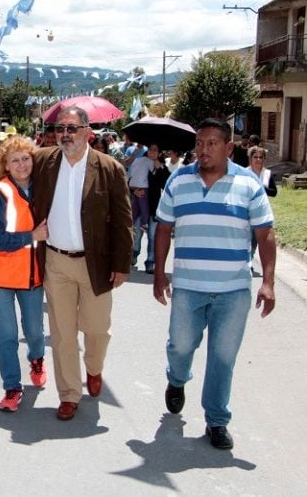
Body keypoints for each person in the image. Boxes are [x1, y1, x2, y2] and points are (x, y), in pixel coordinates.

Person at [0, 106, 133, 420]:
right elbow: (12, 169)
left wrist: (121, 264)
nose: (65, 134)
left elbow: (124, 221)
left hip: (95, 262)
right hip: (55, 261)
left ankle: (94, 367)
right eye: (60, 129)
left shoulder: (109, 168)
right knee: (63, 333)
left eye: (72, 128)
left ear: (87, 131)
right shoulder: (45, 161)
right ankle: (69, 394)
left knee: (97, 328)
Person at [154, 118, 276, 450]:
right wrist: (159, 273)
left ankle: (217, 420)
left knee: (223, 357)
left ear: (229, 147)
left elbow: (265, 235)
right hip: (188, 286)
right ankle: (177, 379)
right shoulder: (179, 180)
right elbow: (163, 227)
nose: (203, 150)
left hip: (233, 291)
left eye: (211, 143)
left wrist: (268, 282)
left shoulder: (249, 184)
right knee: (180, 346)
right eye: (199, 143)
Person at [0, 137, 48, 412]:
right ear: (5, 165)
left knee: (34, 331)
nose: (21, 165)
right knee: (7, 334)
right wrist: (31, 236)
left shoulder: (46, 189)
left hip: (32, 275)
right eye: (14, 160)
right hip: (0, 277)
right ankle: (12, 386)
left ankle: (37, 359)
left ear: (34, 160)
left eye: (26, 158)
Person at [247, 145, 277, 266]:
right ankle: (247, 262)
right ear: (251, 158)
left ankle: (250, 259)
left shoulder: (267, 174)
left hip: (261, 212)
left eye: (261, 157)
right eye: (255, 157)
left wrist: (262, 187)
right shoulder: (245, 173)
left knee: (256, 240)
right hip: (246, 211)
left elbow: (274, 192)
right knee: (247, 239)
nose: (258, 160)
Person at [142, 144, 170, 274]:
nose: (151, 152)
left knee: (153, 236)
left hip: (154, 207)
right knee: (136, 238)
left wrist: (158, 166)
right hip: (140, 204)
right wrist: (135, 190)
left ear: (159, 153)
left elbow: (166, 183)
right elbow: (132, 179)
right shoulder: (141, 164)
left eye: (154, 150)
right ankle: (134, 254)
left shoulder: (162, 169)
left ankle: (150, 262)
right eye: (150, 149)